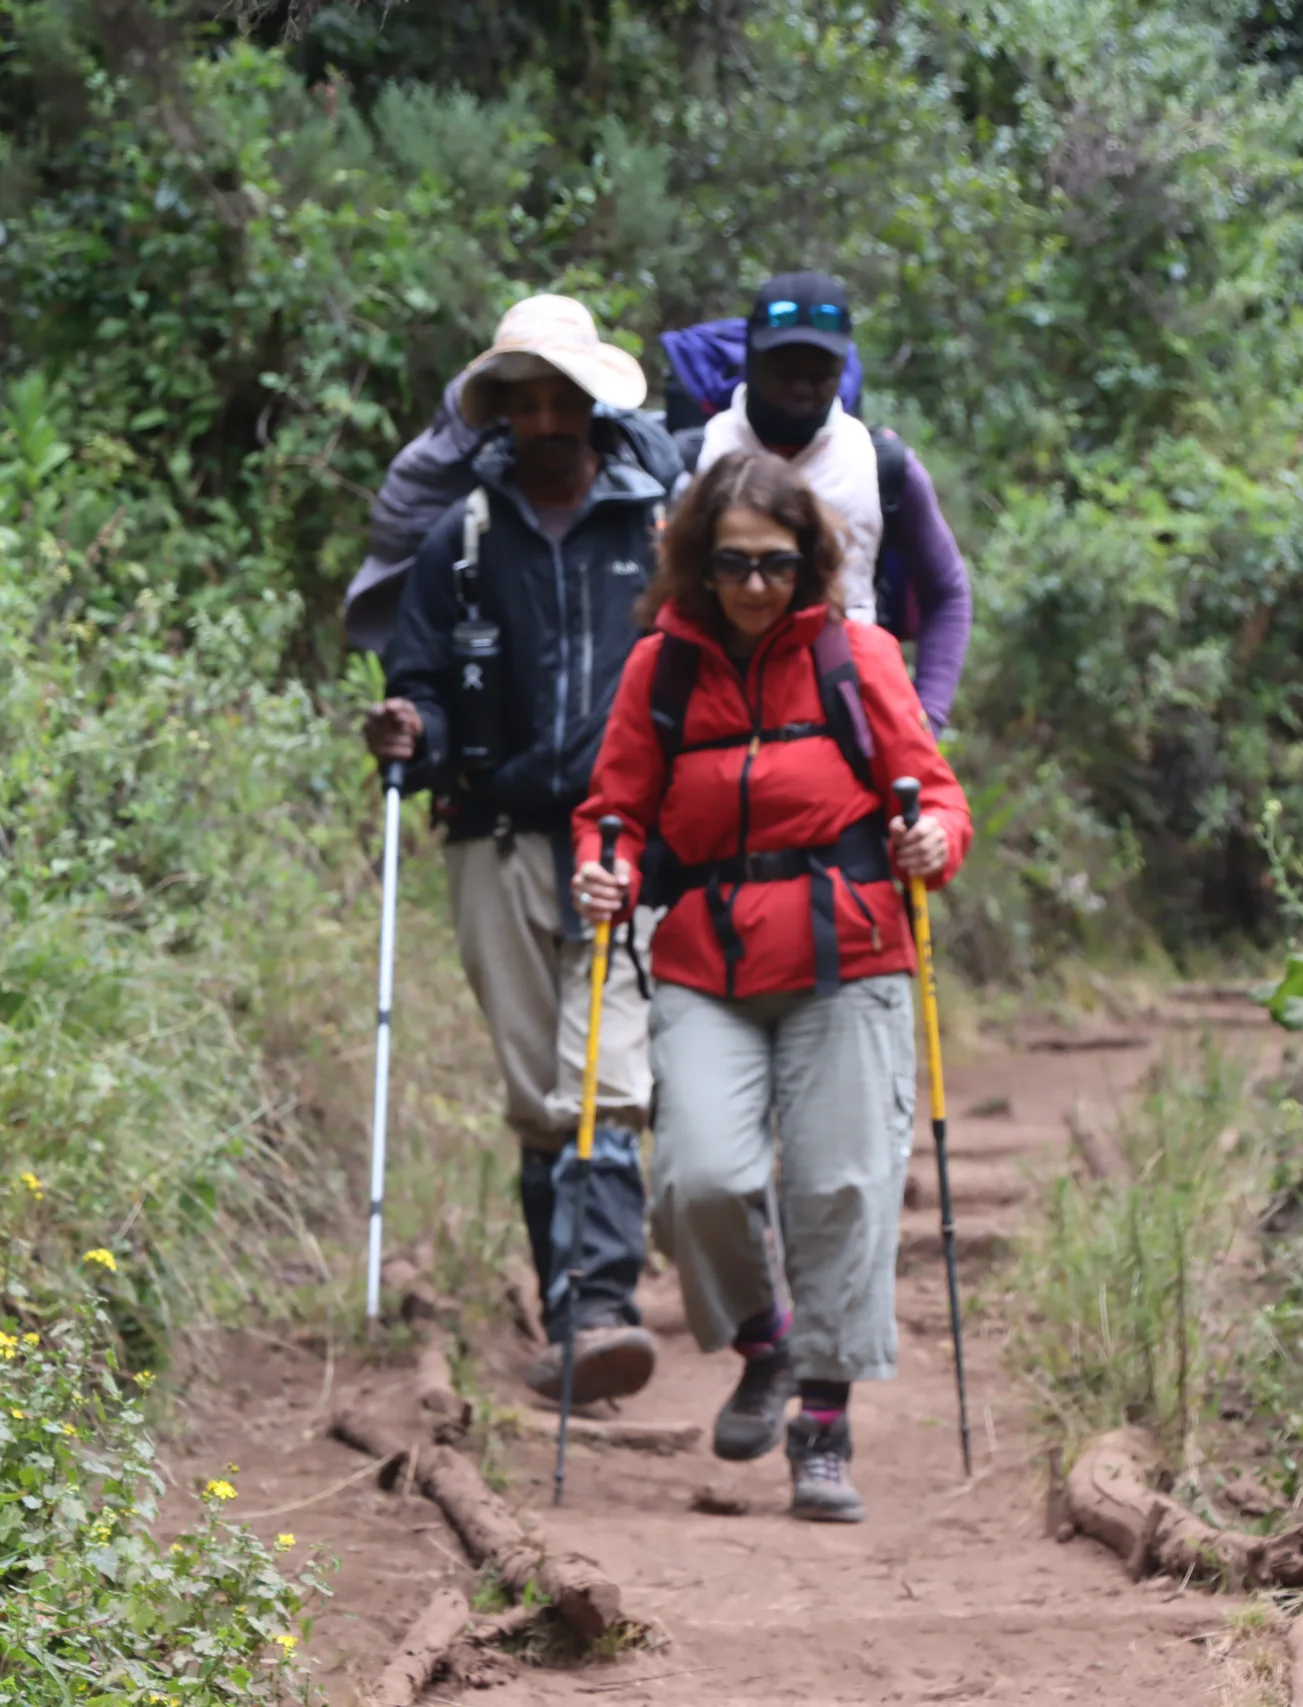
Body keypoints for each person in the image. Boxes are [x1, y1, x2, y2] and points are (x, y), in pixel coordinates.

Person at [571, 450, 974, 1522]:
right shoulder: (660, 666)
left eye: (778, 566)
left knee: (840, 1188)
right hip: (707, 960)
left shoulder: (858, 654)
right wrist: (600, 869)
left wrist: (936, 840)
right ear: (697, 565)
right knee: (696, 1179)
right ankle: (766, 1343)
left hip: (848, 957)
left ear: (812, 563)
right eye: (734, 565)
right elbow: (613, 810)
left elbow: (934, 794)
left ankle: (824, 1428)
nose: (755, 587)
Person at [363, 295, 666, 1405]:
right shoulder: (461, 541)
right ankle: (568, 1313)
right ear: (501, 412)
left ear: (593, 408)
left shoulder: (653, 529)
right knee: (540, 1093)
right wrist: (409, 729)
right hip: (493, 834)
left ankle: (602, 1303)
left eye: (562, 400)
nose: (545, 419)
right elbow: (424, 684)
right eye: (524, 400)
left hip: (624, 835)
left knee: (606, 1074)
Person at [664, 272, 975, 731]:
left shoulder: (881, 464)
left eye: (820, 374)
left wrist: (926, 717)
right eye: (784, 371)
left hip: (851, 719)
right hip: (716, 717)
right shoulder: (693, 458)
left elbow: (947, 592)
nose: (802, 389)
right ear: (751, 356)